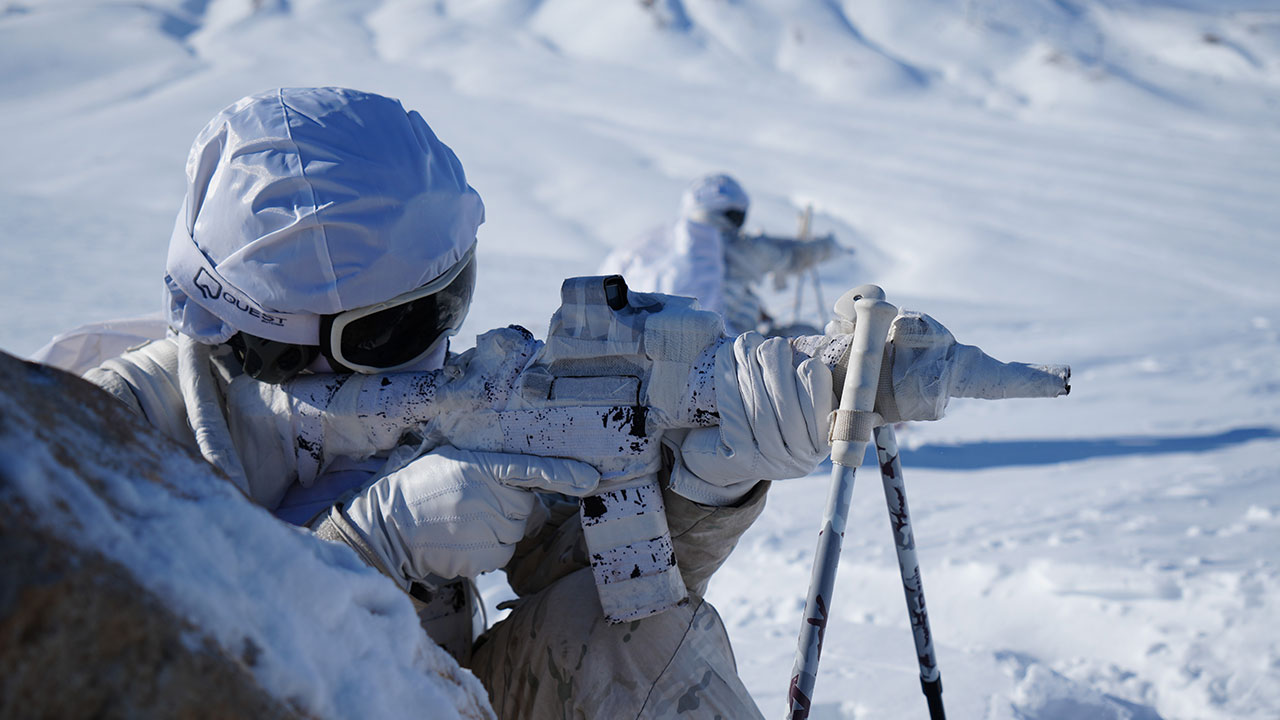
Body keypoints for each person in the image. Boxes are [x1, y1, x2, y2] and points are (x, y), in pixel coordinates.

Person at [71, 87, 833, 718]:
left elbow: (588, 571)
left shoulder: (409, 400)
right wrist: (365, 549)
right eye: (397, 328)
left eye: (450, 300)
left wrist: (703, 484)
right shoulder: (98, 445)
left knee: (633, 639)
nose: (437, 349)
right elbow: (131, 679)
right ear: (266, 342)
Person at [599, 172, 846, 336]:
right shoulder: (731, 248)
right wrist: (827, 248)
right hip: (730, 350)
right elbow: (786, 255)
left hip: (654, 350)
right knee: (805, 335)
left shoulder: (648, 247)